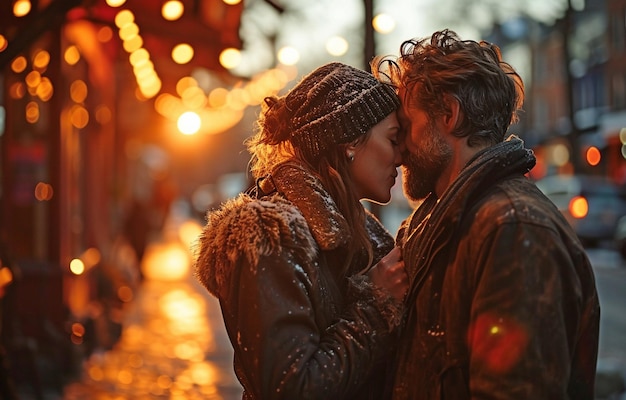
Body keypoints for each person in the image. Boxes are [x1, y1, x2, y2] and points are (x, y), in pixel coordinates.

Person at [372, 29, 601, 399]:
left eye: (409, 126)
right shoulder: (448, 222)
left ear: (448, 113)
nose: (400, 151)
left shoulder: (512, 230)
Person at [194, 62, 409, 399]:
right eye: (393, 139)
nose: (401, 156)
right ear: (350, 140)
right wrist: (376, 304)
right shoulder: (268, 236)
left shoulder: (357, 232)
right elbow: (291, 388)